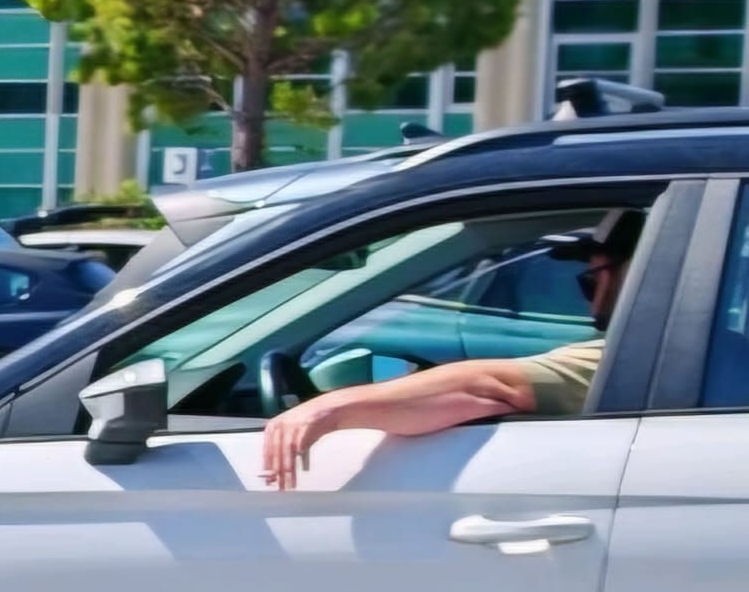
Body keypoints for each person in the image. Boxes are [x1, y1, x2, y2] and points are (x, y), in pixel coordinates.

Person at [254, 209, 637, 490]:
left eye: (590, 284)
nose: (589, 303)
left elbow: (486, 388)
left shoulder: (618, 360)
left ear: (632, 276)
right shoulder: (665, 360)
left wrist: (326, 408)